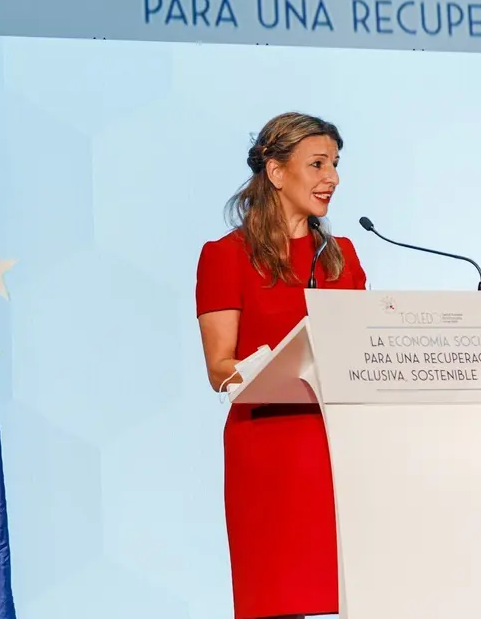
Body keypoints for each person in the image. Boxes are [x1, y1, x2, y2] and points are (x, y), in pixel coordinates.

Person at [195, 112, 368, 619]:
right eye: (317, 164)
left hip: (342, 447)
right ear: (275, 171)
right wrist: (269, 367)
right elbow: (219, 368)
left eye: (334, 164)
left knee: (354, 591)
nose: (331, 177)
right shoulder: (226, 256)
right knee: (279, 600)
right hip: (270, 449)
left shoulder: (343, 256)